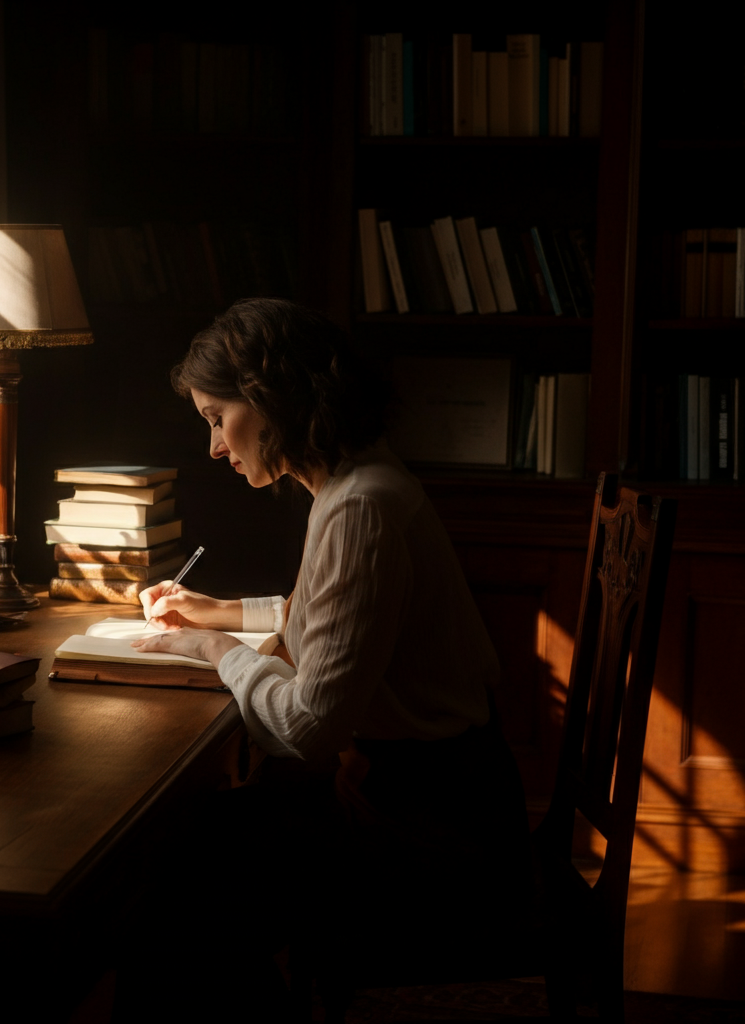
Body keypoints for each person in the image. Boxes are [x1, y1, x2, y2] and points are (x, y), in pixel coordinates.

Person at [110, 298, 531, 1024]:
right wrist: (218, 613)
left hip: (431, 830)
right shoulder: (356, 481)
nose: (214, 446)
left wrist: (213, 650)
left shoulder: (359, 505)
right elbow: (339, 617)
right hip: (433, 791)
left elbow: (308, 729)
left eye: (217, 418)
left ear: (270, 399)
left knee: (175, 889)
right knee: (188, 861)